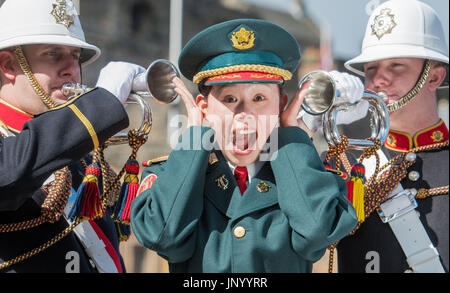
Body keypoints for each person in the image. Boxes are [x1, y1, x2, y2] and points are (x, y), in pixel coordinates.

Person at [130, 18, 358, 273]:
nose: (245, 113)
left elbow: (319, 231)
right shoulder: (170, 174)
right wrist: (195, 139)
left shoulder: (304, 175)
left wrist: (292, 137)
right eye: (230, 98)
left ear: (280, 106)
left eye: (259, 98)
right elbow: (162, 236)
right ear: (204, 108)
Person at [0, 0, 146, 272]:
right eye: (53, 54)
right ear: (9, 65)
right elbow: (8, 174)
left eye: (75, 56)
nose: (72, 68)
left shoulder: (80, 154)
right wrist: (99, 107)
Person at [322, 0, 448, 273]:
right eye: (370, 69)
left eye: (396, 66)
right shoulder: (342, 162)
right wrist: (300, 129)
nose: (379, 79)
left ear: (435, 77)